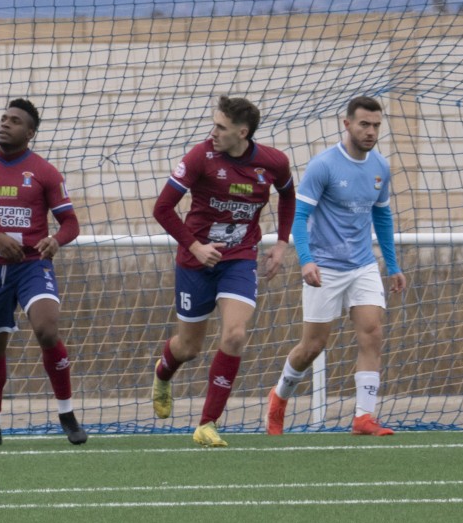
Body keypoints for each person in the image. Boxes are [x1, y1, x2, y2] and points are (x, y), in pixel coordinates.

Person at [149, 95, 295, 447]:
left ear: (242, 133)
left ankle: (207, 423)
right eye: (213, 124)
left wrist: (281, 244)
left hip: (240, 259)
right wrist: (195, 247)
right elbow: (162, 209)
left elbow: (288, 196)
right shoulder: (200, 156)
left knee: (234, 335)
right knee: (188, 347)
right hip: (195, 263)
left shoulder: (273, 162)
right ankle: (163, 371)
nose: (212, 132)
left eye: (221, 127)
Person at [265, 96, 408, 436]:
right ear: (347, 124)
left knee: (373, 333)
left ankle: (363, 417)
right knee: (313, 346)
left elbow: (382, 216)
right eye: (364, 124)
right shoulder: (323, 165)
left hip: (362, 265)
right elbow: (299, 218)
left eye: (376, 125)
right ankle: (279, 397)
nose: (371, 131)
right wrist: (307, 260)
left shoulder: (380, 167)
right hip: (324, 266)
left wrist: (392, 264)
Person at [0, 98, 87, 446]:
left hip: (32, 265)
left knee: (46, 329)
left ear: (30, 132)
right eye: (3, 118)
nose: (5, 124)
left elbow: (71, 222)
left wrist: (56, 240)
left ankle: (67, 413)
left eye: (14, 121)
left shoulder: (45, 172)